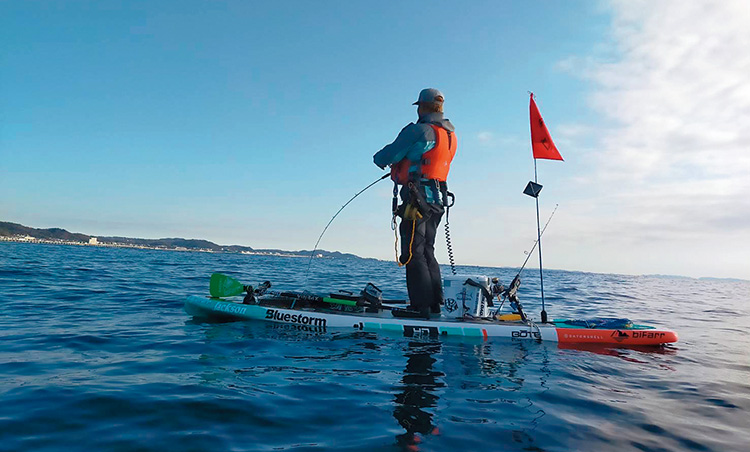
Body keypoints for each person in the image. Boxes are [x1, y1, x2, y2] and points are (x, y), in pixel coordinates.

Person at [373, 88, 457, 318]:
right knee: (427, 250)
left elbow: (386, 156)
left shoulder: (419, 131)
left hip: (416, 199)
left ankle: (420, 307)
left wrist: (382, 161)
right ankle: (434, 304)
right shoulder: (450, 135)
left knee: (412, 251)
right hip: (438, 200)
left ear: (422, 107)